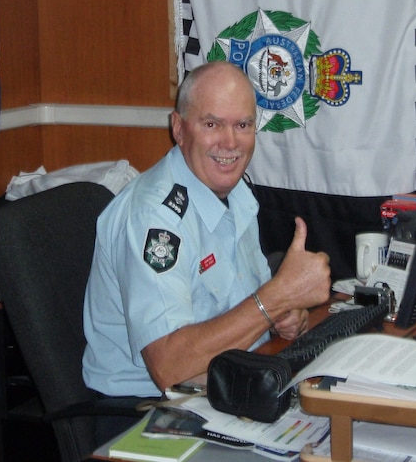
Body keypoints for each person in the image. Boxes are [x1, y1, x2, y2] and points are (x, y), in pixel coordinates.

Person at [82, 61, 331, 441]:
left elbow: (247, 306)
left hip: (227, 390)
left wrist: (283, 311)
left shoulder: (233, 193)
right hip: (150, 414)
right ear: (179, 129)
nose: (230, 143)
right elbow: (170, 367)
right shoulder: (156, 220)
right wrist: (275, 298)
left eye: (243, 125)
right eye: (212, 124)